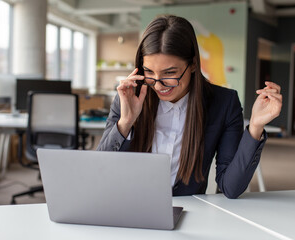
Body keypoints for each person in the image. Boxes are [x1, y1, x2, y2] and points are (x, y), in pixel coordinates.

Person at [97, 15, 282, 199]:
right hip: (126, 205)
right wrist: (125, 122)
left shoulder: (223, 103)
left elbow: (230, 187)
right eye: (149, 72)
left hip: (187, 213)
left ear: (193, 64)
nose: (159, 85)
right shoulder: (129, 96)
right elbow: (100, 171)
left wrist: (255, 127)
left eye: (170, 73)